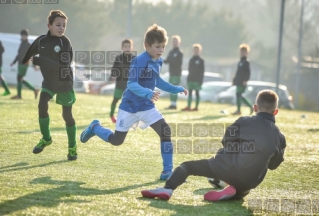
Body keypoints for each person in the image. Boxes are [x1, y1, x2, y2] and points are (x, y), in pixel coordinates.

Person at [80, 24, 187, 180]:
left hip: (147, 106)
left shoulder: (159, 61)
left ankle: (167, 172)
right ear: (147, 46)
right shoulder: (139, 60)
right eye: (158, 47)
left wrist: (176, 89)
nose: (161, 50)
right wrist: (148, 93)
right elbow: (131, 83)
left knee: (165, 132)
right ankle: (95, 127)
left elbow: (157, 80)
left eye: (163, 47)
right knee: (117, 141)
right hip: (129, 107)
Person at [141, 90, 286, 202]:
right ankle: (236, 191)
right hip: (249, 181)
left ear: (255, 107)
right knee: (246, 186)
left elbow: (226, 140)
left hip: (224, 167)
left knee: (187, 166)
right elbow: (273, 165)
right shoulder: (280, 137)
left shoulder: (245, 121)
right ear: (276, 111)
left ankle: (168, 189)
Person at [22, 10, 77, 160]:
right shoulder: (42, 41)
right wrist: (25, 59)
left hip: (64, 81)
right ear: (49, 26)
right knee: (42, 104)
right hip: (49, 83)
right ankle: (46, 138)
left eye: (64, 25)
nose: (61, 28)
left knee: (67, 116)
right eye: (58, 25)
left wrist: (38, 60)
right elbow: (32, 49)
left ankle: (72, 147)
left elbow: (62, 65)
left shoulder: (65, 42)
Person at [109, 39, 135, 123]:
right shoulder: (119, 58)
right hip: (120, 82)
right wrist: (112, 76)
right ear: (122, 48)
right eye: (125, 46)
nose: (127, 48)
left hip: (129, 84)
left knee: (128, 100)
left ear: (131, 48)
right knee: (116, 99)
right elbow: (114, 68)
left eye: (129, 46)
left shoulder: (134, 58)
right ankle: (112, 115)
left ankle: (127, 117)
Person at [10, 29, 38, 99]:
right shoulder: (22, 44)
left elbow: (32, 54)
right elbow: (18, 55)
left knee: (19, 78)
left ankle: (19, 95)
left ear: (26, 36)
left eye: (24, 35)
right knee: (21, 79)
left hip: (24, 64)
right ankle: (35, 90)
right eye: (22, 35)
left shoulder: (28, 44)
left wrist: (35, 65)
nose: (23, 36)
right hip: (20, 63)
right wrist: (14, 62)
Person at [181, 44, 204, 111]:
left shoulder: (201, 61)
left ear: (200, 51)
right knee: (190, 93)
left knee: (197, 93)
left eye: (197, 50)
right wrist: (188, 79)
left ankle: (196, 107)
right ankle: (188, 106)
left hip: (197, 80)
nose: (196, 51)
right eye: (195, 50)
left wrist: (200, 81)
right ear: (193, 51)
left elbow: (202, 72)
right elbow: (189, 70)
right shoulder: (191, 60)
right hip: (191, 79)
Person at [232, 44, 253, 115]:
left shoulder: (246, 62)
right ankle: (250, 107)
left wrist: (245, 80)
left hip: (242, 82)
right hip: (238, 81)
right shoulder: (240, 62)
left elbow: (248, 72)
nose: (242, 53)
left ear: (247, 53)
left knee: (239, 94)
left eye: (244, 52)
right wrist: (234, 80)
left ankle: (239, 110)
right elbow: (237, 72)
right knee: (239, 95)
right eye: (241, 52)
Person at [163, 35, 183, 110]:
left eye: (176, 41)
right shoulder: (171, 52)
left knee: (174, 89)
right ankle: (172, 104)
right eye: (174, 41)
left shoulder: (179, 53)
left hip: (177, 73)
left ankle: (174, 104)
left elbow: (178, 63)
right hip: (171, 73)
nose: (175, 43)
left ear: (179, 43)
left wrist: (172, 61)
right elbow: (167, 61)